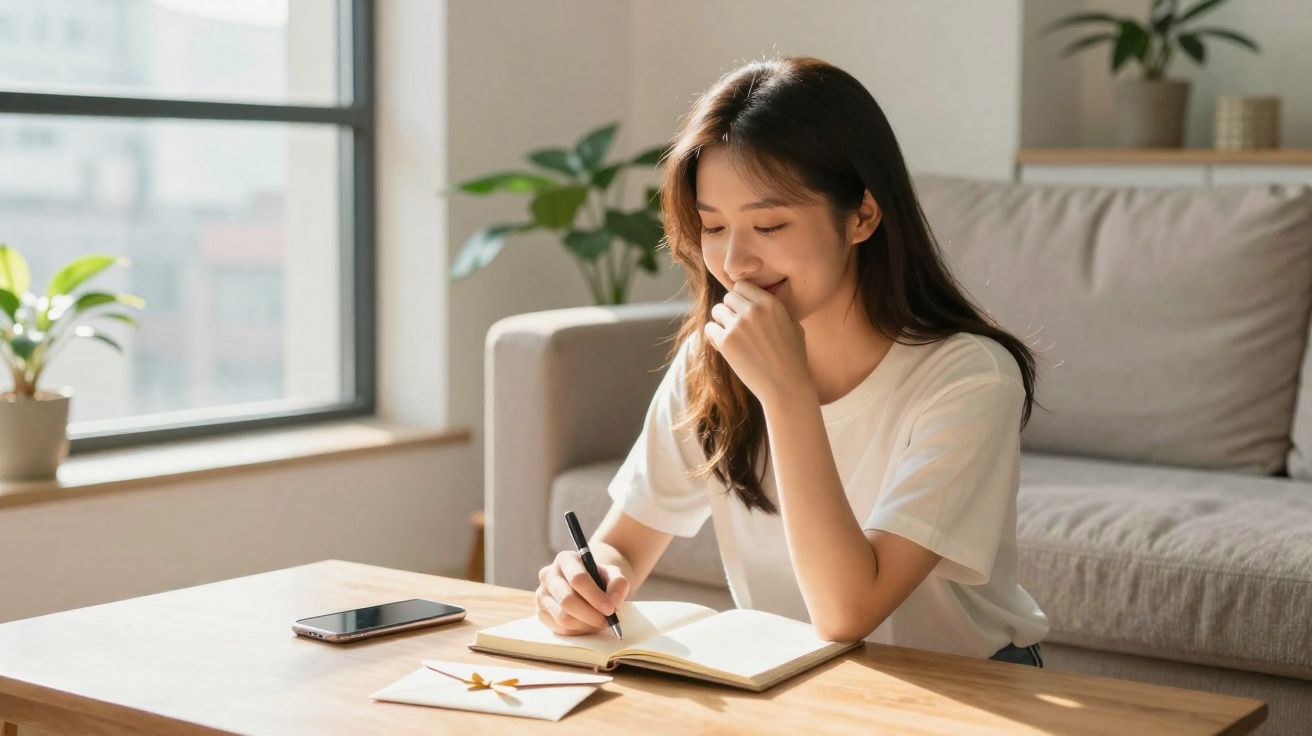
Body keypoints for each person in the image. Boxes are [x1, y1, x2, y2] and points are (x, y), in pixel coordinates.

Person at [534, 55, 1048, 667]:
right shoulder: (714, 358)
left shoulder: (969, 377)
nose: (736, 263)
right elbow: (622, 545)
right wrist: (584, 585)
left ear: (861, 216)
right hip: (794, 686)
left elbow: (847, 612)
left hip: (967, 691)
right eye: (714, 227)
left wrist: (786, 392)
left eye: (770, 225)